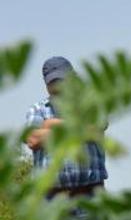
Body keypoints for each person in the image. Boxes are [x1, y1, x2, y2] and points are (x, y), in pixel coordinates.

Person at [25, 56, 108, 199]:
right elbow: (33, 139)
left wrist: (49, 124)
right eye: (53, 82)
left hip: (90, 196)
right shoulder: (37, 109)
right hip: (50, 199)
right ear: (46, 85)